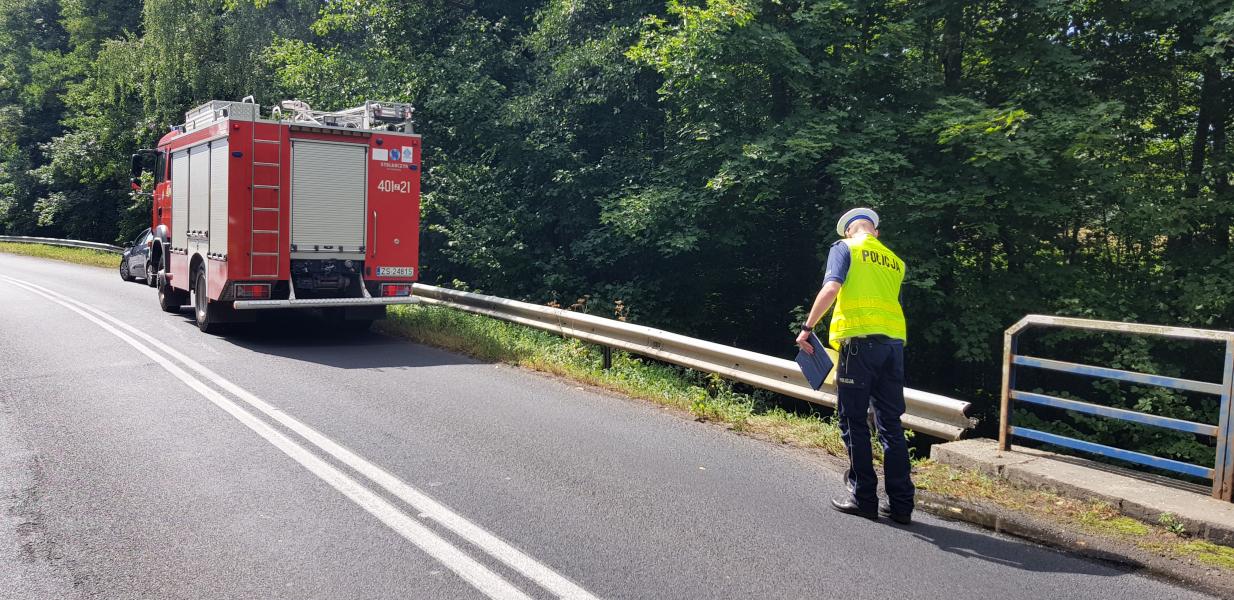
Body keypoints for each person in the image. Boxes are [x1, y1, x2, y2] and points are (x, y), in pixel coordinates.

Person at [795, 207, 914, 525]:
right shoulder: (894, 261)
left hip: (859, 346)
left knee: (854, 420)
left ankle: (864, 498)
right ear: (875, 232)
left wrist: (807, 328)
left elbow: (832, 288)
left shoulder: (844, 248)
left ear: (848, 231)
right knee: (891, 424)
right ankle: (902, 505)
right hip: (893, 348)